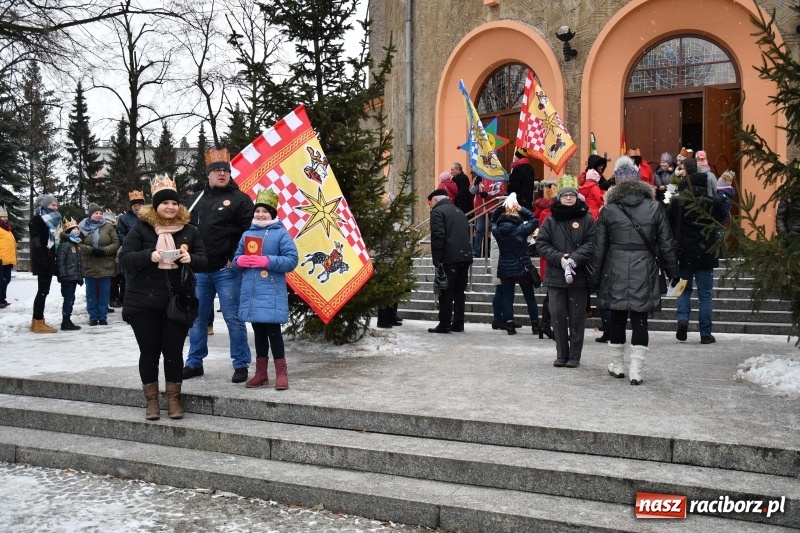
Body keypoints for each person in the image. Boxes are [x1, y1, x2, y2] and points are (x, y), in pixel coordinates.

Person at [120, 175, 208, 420]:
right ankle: (151, 401)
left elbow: (204, 261)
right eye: (165, 203)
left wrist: (192, 259)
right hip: (143, 302)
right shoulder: (141, 228)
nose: (170, 207)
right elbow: (125, 258)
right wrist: (150, 255)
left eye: (174, 203)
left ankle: (173, 399)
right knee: (149, 352)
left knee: (173, 351)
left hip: (176, 301)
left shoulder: (190, 230)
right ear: (156, 206)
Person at [591, 156, 679, 385]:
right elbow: (666, 244)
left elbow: (599, 248)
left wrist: (595, 277)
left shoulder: (609, 210)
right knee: (640, 319)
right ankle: (636, 370)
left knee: (617, 317)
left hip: (616, 267)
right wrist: (673, 272)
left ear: (617, 183)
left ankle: (618, 365)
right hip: (645, 267)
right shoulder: (654, 207)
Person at [183, 148, 254, 383]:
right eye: (217, 170)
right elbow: (184, 229)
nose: (222, 174)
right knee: (197, 318)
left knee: (233, 318)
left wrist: (235, 256)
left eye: (226, 170)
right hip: (199, 270)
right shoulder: (194, 200)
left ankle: (241, 363)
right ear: (208, 174)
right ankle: (194, 362)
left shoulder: (240, 199)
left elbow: (250, 233)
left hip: (226, 270)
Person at [232, 188, 298, 390]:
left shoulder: (281, 234)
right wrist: (239, 261)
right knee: (259, 333)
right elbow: (236, 261)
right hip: (252, 293)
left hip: (271, 292)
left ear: (272, 214)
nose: (260, 214)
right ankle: (261, 374)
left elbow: (291, 260)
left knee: (274, 333)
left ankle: (281, 373)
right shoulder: (247, 234)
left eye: (265, 211)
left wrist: (267, 261)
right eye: (257, 211)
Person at [536, 176, 595, 367]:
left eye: (572, 195)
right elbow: (541, 243)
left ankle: (575, 355)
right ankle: (561, 354)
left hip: (579, 276)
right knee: (557, 316)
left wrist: (574, 258)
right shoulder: (551, 219)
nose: (569, 198)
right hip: (555, 275)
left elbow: (592, 243)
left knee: (577, 318)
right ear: (559, 198)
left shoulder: (586, 218)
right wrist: (559, 258)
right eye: (565, 195)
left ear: (577, 197)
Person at [668, 158, 727, 345]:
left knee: (683, 291)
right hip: (706, 254)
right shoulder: (713, 203)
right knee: (705, 296)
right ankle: (705, 334)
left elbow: (667, 222)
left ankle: (682, 320)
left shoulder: (677, 202)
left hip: (683, 254)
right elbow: (723, 219)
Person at [491, 193, 540, 335]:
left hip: (505, 268)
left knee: (508, 297)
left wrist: (499, 210)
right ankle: (535, 325)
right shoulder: (522, 229)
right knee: (530, 298)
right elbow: (534, 220)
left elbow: (492, 222)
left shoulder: (497, 230)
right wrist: (521, 208)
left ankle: (510, 324)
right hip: (522, 267)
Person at [427, 188, 473, 333]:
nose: (430, 206)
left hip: (449, 257)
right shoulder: (459, 211)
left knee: (446, 291)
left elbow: (438, 235)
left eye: (430, 203)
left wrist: (437, 258)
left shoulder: (437, 212)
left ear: (435, 200)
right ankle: (458, 322)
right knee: (459, 291)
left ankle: (445, 323)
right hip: (464, 256)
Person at [79, 203, 120, 326]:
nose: (99, 215)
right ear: (90, 214)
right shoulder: (82, 227)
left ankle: (102, 316)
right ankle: (93, 316)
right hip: (89, 263)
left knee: (104, 291)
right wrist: (90, 250)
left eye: (100, 213)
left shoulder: (108, 227)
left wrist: (104, 250)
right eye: (96, 213)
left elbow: (116, 243)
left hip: (105, 263)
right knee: (91, 292)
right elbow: (77, 243)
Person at [29, 194, 61, 333]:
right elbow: (36, 241)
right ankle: (38, 321)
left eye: (56, 205)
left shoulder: (51, 220)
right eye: (53, 205)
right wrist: (42, 259)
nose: (55, 207)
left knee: (43, 291)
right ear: (45, 205)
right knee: (42, 291)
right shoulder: (38, 219)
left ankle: (36, 321)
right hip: (42, 260)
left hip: (47, 259)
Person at [114, 190, 146, 306]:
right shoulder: (124, 218)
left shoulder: (149, 217)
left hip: (146, 252)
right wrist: (130, 244)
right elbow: (120, 234)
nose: (137, 207)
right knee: (130, 279)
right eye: (135, 205)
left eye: (139, 205)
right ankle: (131, 304)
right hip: (131, 252)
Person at [56, 217, 83, 331]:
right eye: (74, 229)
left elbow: (78, 263)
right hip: (67, 277)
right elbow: (60, 261)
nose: (77, 230)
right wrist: (63, 275)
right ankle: (65, 321)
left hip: (74, 277)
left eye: (77, 228)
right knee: (68, 299)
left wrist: (80, 276)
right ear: (68, 231)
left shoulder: (76, 244)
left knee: (71, 299)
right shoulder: (65, 245)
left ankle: (67, 319)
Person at [470, 175, 505, 257]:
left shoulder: (498, 178)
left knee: (494, 230)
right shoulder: (478, 178)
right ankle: (476, 251)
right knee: (479, 230)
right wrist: (476, 183)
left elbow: (499, 191)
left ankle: (494, 250)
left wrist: (487, 194)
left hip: (493, 208)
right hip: (481, 209)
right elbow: (472, 191)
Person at [0, 204, 16, 309]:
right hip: (1, 260)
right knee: (1, 281)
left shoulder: (7, 229)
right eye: (3, 217)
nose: (6, 218)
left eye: (6, 216)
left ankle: (2, 299)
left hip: (8, 260)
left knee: (6, 280)